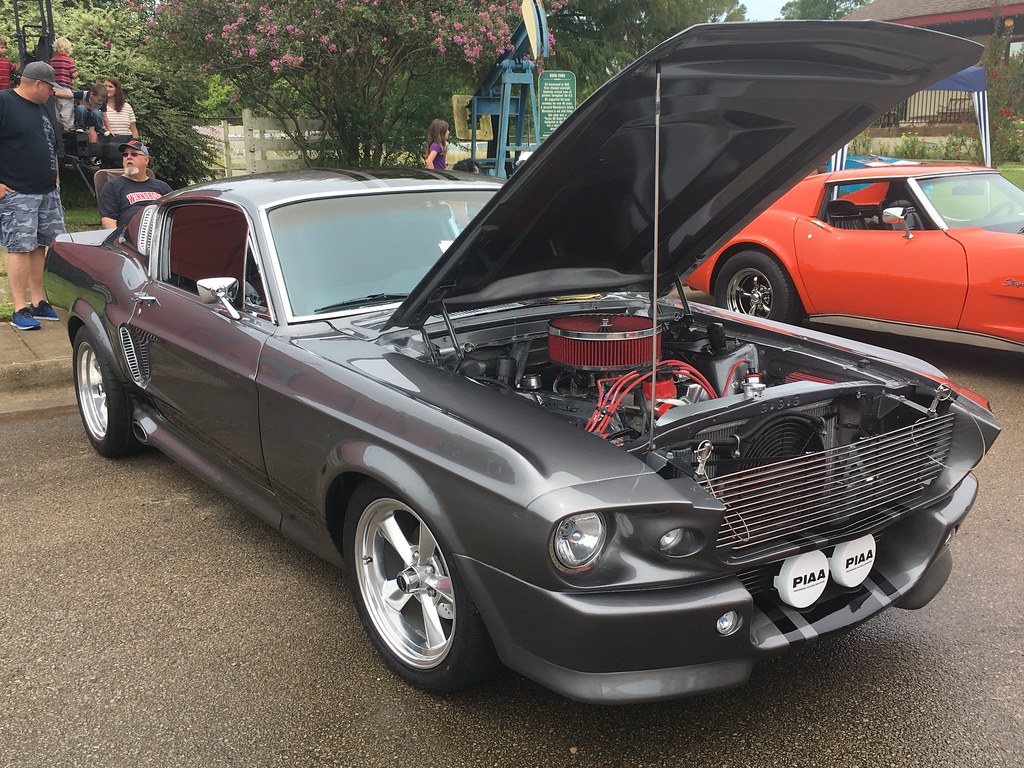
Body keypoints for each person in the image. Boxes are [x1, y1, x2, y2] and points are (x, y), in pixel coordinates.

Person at [0, 61, 66, 331]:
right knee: (20, 247)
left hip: (47, 192)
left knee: (42, 245)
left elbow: (50, 146)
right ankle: (19, 307)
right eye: (50, 87)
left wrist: (56, 178)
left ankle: (39, 301)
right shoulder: (4, 102)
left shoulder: (41, 108)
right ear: (38, 83)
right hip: (18, 192)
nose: (52, 93)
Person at [98, 139, 172, 229]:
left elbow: (173, 214)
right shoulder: (112, 186)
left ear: (146, 160)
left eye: (134, 154)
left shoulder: (162, 187)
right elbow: (108, 221)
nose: (128, 157)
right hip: (130, 238)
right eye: (125, 155)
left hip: (160, 233)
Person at [49, 37, 77, 130]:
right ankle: (68, 127)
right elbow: (73, 74)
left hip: (54, 88)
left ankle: (58, 126)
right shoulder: (69, 61)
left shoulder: (52, 61)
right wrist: (76, 73)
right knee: (66, 109)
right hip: (65, 88)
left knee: (56, 109)